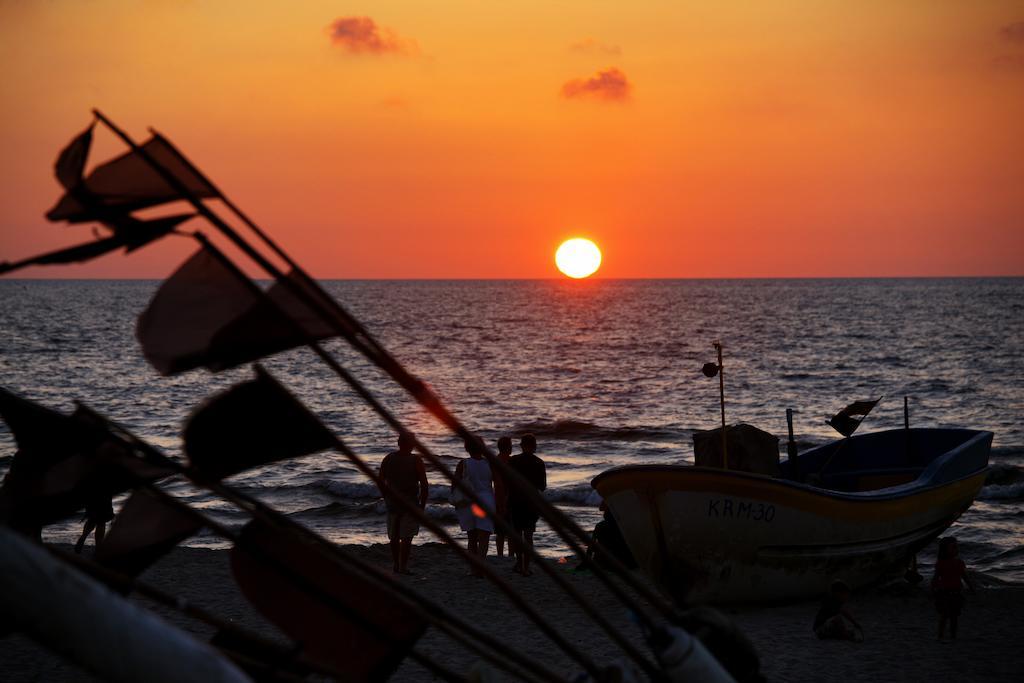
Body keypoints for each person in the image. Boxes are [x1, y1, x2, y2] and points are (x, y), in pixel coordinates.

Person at [378, 432, 428, 575]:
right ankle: (403, 567)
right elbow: (424, 485)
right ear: (412, 444)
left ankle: (395, 564)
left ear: (399, 442)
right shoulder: (416, 460)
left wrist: (385, 496)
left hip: (392, 502)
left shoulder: (388, 458)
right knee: (406, 537)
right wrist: (422, 505)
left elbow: (380, 480)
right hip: (410, 503)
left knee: (394, 536)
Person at [454, 437, 496, 576]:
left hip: (468, 503)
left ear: (467, 448)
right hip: (486, 501)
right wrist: (501, 504)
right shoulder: (489, 464)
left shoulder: (463, 463)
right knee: (484, 538)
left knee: (472, 538)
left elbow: (455, 483)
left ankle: (473, 569)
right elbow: (498, 484)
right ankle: (481, 567)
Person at [507, 434, 546, 577]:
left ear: (521, 446)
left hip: (515, 501)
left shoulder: (513, 461)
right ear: (534, 446)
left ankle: (519, 563)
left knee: (517, 535)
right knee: (529, 536)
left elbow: (507, 481)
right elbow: (542, 487)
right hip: (531, 503)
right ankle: (526, 567)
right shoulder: (539, 463)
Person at [932, 536, 974, 641]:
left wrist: (971, 587)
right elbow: (936, 578)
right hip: (944, 593)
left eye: (957, 547)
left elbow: (964, 577)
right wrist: (933, 589)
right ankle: (940, 636)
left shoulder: (959, 563)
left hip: (956, 593)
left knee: (954, 617)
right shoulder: (941, 563)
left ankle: (953, 636)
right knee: (944, 616)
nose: (957, 549)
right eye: (953, 547)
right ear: (945, 550)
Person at [492, 436, 514, 559]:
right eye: (511, 446)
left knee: (499, 531)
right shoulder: (512, 462)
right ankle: (511, 554)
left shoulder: (494, 461)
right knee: (511, 530)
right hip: (509, 497)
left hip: (497, 497)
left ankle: (500, 554)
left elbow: (492, 481)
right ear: (507, 447)